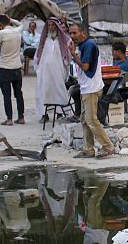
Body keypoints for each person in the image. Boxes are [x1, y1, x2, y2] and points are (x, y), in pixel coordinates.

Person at [67, 23, 115, 158]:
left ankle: (108, 146)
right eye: (70, 33)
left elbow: (86, 67)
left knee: (91, 119)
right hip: (86, 87)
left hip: (91, 88)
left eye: (74, 33)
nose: (72, 36)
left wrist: (73, 54)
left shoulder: (89, 45)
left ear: (82, 32)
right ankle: (88, 149)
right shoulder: (83, 46)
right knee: (84, 119)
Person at [34, 18, 74, 123]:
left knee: (59, 91)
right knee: (44, 92)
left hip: (58, 71)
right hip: (45, 72)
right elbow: (38, 55)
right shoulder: (45, 40)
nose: (51, 27)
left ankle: (60, 113)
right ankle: (44, 114)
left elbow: (68, 56)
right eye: (49, 25)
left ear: (57, 26)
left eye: (53, 25)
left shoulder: (64, 41)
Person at [0, 15, 25, 125]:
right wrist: (11, 19)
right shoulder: (17, 31)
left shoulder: (1, 34)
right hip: (17, 68)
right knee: (18, 94)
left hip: (5, 69)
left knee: (7, 95)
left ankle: (9, 119)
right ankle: (21, 118)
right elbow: (21, 24)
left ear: (1, 25)